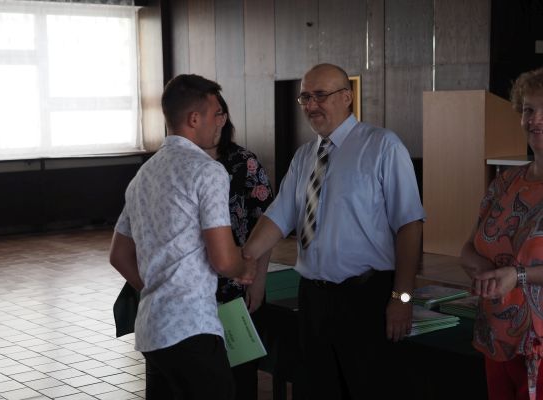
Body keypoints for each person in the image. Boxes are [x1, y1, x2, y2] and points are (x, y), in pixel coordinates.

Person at [242, 63, 425, 400]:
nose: (311, 105)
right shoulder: (304, 156)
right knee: (318, 390)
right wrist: (246, 260)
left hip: (366, 298)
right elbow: (278, 217)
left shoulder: (382, 146)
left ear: (346, 97)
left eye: (320, 95)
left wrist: (402, 298)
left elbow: (410, 225)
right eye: (305, 97)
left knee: (367, 389)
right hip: (313, 299)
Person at [109, 74, 256, 400]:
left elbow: (118, 255)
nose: (221, 122)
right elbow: (223, 260)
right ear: (194, 119)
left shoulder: (143, 175)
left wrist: (159, 287)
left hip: (152, 330)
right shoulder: (207, 171)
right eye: (217, 113)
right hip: (191, 328)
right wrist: (244, 268)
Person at [461, 66, 543, 400]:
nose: (535, 120)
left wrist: (517, 276)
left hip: (539, 347)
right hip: (496, 338)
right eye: (528, 110)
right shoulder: (505, 182)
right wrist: (485, 273)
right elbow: (468, 248)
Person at [205, 94, 274, 400]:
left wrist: (258, 280)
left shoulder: (244, 162)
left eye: (220, 113)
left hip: (239, 282)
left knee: (240, 375)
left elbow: (267, 224)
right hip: (195, 289)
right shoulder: (182, 164)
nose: (216, 120)